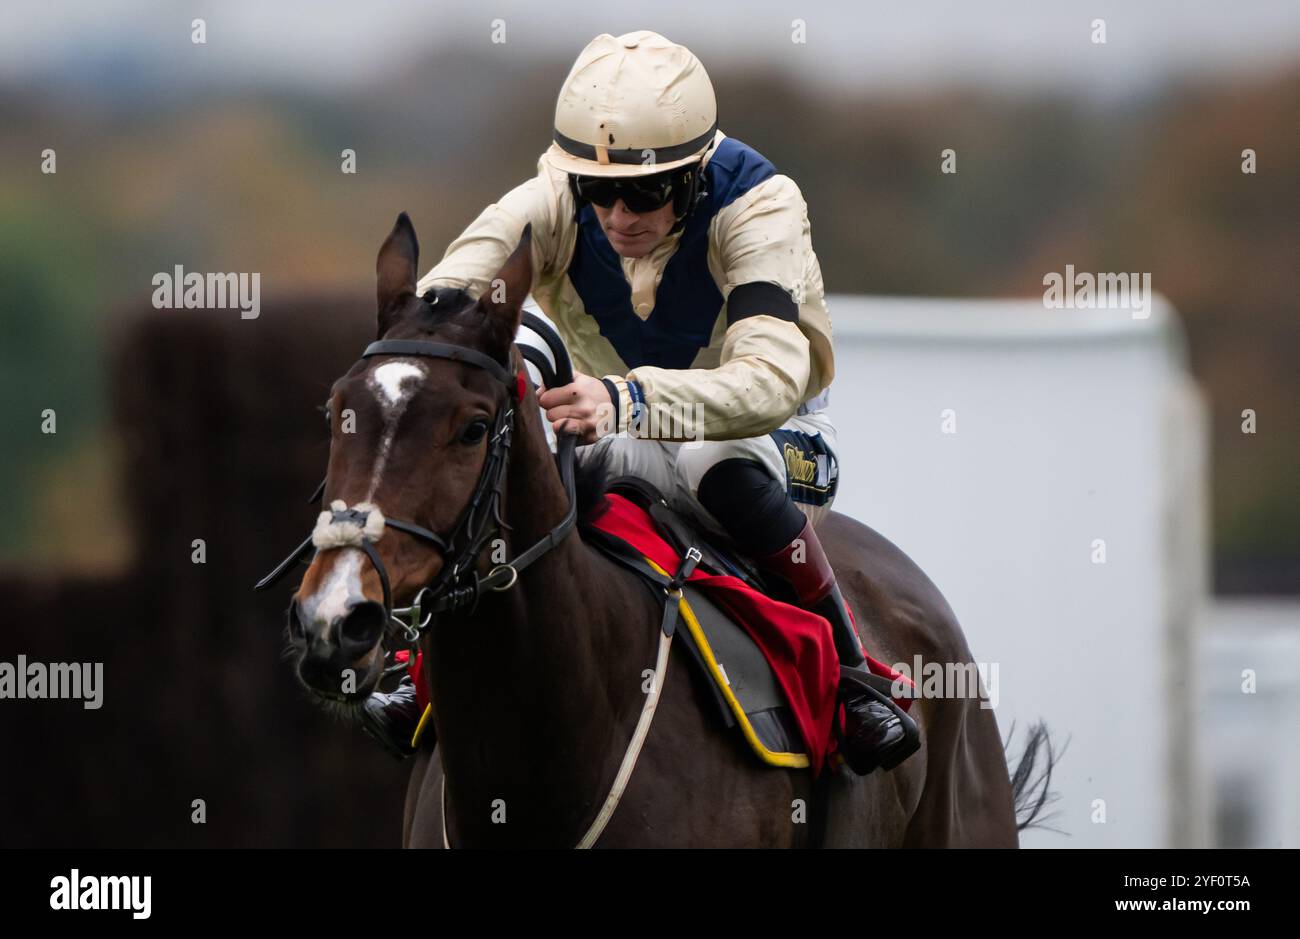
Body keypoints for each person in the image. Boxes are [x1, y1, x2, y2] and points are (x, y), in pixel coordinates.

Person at [362, 30, 919, 776]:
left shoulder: (760, 206)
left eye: (645, 192)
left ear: (692, 176)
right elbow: (446, 310)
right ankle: (422, 661)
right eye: (599, 191)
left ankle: (852, 673)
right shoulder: (553, 198)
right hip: (608, 427)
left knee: (705, 457)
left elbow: (768, 382)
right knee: (508, 357)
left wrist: (625, 399)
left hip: (770, 440)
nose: (619, 215)